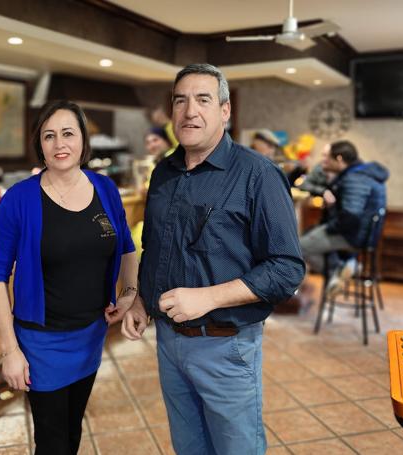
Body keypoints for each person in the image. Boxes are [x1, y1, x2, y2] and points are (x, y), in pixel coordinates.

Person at [122, 63, 304, 455]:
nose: (190, 111)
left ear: (224, 111)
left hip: (226, 346)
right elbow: (155, 247)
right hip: (168, 342)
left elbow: (287, 269)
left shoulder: (258, 174)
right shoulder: (163, 173)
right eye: (180, 101)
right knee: (188, 448)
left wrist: (209, 297)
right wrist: (139, 299)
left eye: (203, 100)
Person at [0, 100, 137, 455]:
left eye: (68, 133)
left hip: (90, 335)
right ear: (39, 144)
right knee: (52, 443)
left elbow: (128, 247)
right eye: (49, 136)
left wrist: (128, 295)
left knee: (71, 434)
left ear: (84, 140)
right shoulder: (19, 199)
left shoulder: (105, 189)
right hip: (42, 343)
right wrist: (10, 350)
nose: (59, 144)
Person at [299, 140, 388, 295]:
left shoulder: (354, 178)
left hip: (352, 236)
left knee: (296, 249)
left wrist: (329, 227)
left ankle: (339, 270)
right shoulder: (365, 174)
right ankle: (344, 267)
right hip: (364, 235)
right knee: (311, 237)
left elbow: (351, 216)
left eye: (329, 158)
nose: (324, 161)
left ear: (339, 159)